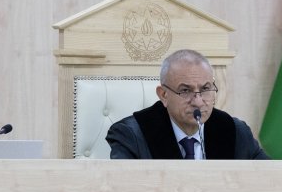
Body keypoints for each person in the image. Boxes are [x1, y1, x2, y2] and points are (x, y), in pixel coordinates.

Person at [106, 49, 269, 159]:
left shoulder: (235, 132)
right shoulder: (131, 136)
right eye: (185, 91)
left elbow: (271, 179)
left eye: (205, 89)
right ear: (163, 95)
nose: (198, 101)